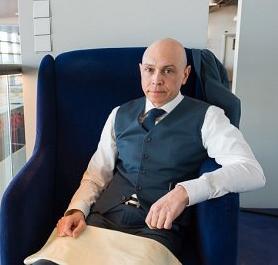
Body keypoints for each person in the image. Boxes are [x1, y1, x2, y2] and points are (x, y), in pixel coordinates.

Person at [52, 38, 265, 259]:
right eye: (149, 70)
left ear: (185, 75)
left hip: (156, 230)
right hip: (101, 220)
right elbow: (97, 174)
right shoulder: (118, 113)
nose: (156, 80)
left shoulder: (209, 117)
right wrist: (77, 209)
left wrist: (185, 192)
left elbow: (252, 171)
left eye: (168, 71)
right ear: (140, 71)